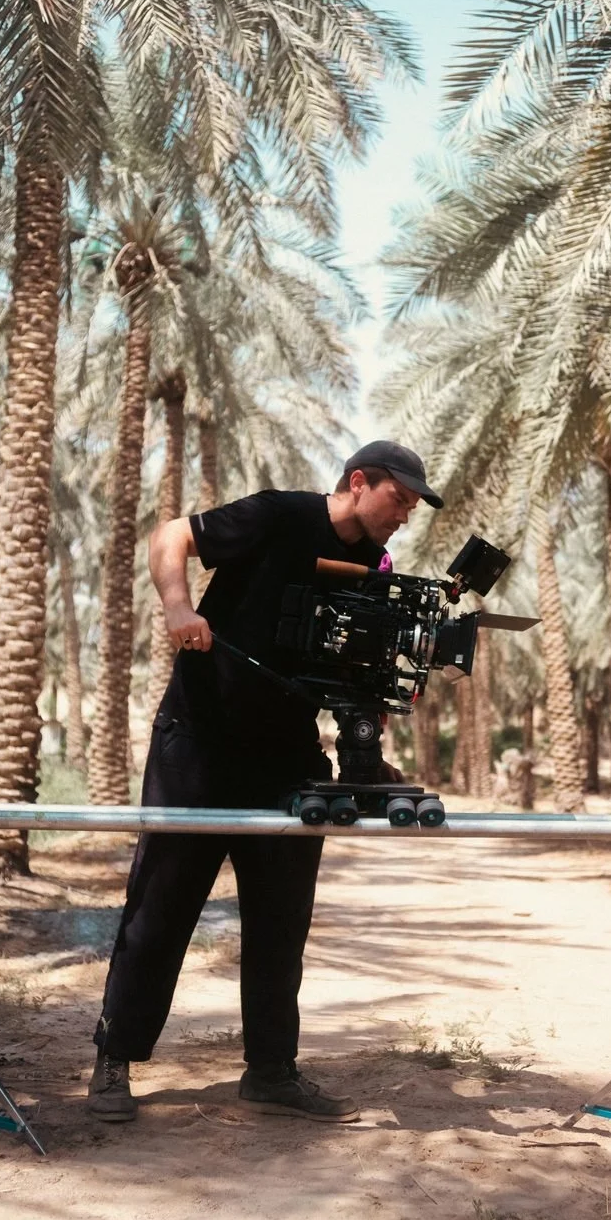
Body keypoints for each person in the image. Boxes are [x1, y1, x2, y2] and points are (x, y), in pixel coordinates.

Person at [87, 441, 442, 1122]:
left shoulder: (375, 564)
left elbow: (352, 665)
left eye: (411, 506)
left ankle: (272, 1070)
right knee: (161, 904)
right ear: (359, 481)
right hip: (199, 739)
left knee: (282, 917)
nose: (405, 515)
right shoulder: (278, 515)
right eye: (399, 498)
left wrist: (368, 743)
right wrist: (176, 608)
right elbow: (170, 537)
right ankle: (114, 1059)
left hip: (287, 756)